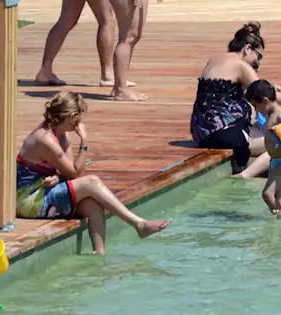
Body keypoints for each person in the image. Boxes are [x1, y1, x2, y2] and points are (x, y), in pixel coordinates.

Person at [15, 91, 170, 254]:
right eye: (79, 118)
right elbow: (75, 172)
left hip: (42, 192)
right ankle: (139, 224)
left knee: (93, 204)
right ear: (72, 116)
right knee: (92, 182)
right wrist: (84, 141)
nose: (80, 122)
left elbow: (69, 173)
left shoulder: (60, 134)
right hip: (29, 201)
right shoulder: (45, 139)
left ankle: (100, 257)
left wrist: (59, 177)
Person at [190, 23, 281, 174]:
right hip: (224, 134)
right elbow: (268, 96)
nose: (257, 63)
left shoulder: (214, 60)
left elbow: (227, 94)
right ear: (248, 49)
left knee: (264, 130)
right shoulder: (241, 65)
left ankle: (256, 167)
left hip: (201, 132)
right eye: (258, 57)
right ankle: (246, 175)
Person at [246, 80, 281, 218]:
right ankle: (279, 224)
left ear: (266, 101)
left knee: (267, 194)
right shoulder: (270, 115)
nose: (256, 110)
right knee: (277, 197)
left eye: (256, 106)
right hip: (275, 161)